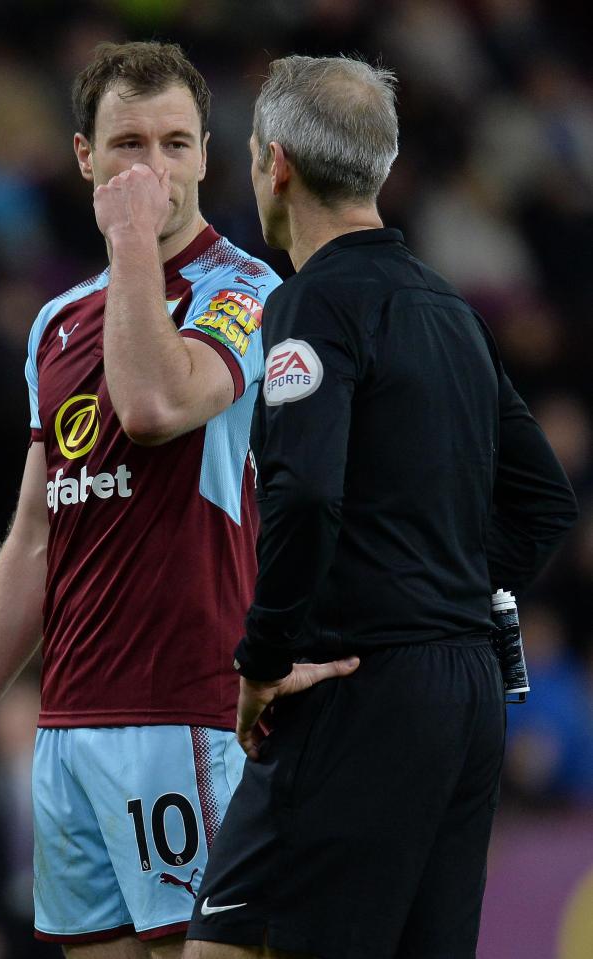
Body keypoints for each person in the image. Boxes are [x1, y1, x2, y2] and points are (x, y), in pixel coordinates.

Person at [186, 55, 579, 959]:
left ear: (274, 164)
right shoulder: (449, 308)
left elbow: (308, 491)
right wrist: (441, 593)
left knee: (225, 947)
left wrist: (263, 656)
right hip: (470, 695)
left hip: (357, 693)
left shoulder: (310, 304)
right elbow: (545, 501)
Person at [0, 40, 286, 957]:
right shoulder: (57, 324)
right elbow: (37, 537)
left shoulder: (245, 289)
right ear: (85, 157)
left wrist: (128, 238)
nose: (152, 168)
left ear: (206, 153)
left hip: (187, 709)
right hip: (71, 724)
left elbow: (156, 406)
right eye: (127, 144)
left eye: (174, 143)